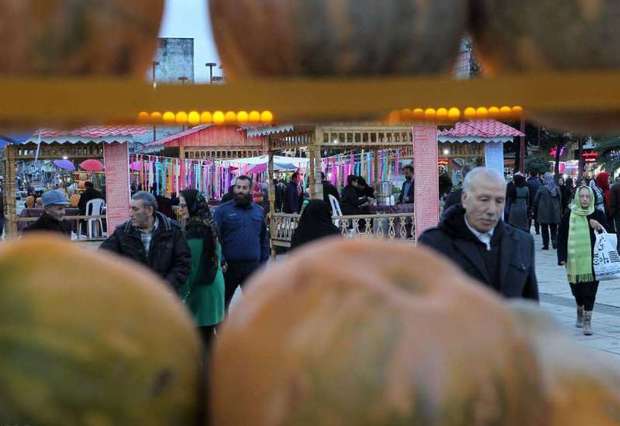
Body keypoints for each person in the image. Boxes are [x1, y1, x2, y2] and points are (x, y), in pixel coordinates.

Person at [419, 167, 539, 301]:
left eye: (499, 201)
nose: (492, 210)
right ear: (465, 198)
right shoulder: (435, 243)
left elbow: (530, 307)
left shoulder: (523, 242)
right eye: (484, 199)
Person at [100, 191, 191, 290]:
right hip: (134, 295)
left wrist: (166, 286)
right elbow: (103, 256)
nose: (130, 214)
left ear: (149, 210)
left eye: (135, 209)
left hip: (164, 296)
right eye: (130, 209)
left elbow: (183, 263)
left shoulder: (172, 231)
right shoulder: (123, 232)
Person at [177, 189, 225, 351]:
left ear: (193, 206)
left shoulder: (196, 231)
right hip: (214, 283)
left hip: (204, 290)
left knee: (202, 339)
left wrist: (180, 295)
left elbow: (191, 268)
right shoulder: (208, 223)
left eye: (184, 205)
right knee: (208, 336)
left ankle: (209, 373)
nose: (180, 209)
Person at [557, 186, 608, 336]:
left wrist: (597, 226)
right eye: (582, 196)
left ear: (592, 198)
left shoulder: (598, 214)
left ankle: (587, 322)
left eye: (587, 196)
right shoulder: (569, 215)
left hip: (594, 261)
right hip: (574, 261)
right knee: (577, 291)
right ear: (577, 198)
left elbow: (606, 236)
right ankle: (579, 308)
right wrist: (562, 257)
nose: (585, 199)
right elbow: (561, 237)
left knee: (590, 292)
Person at [214, 176, 270, 309]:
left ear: (250, 190)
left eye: (244, 188)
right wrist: (221, 260)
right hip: (229, 268)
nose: (240, 190)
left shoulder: (259, 211)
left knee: (254, 307)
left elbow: (264, 239)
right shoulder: (222, 211)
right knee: (222, 305)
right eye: (238, 187)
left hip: (252, 268)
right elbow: (215, 238)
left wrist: (262, 262)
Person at [534, 173, 562, 250]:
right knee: (554, 229)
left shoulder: (541, 188)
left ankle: (546, 245)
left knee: (544, 229)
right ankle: (554, 243)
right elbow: (560, 199)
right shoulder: (556, 188)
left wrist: (535, 208)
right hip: (554, 212)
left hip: (544, 213)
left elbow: (536, 200)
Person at [609, 176, 620, 251]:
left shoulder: (614, 187)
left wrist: (611, 215)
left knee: (619, 234)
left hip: (618, 214)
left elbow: (612, 203)